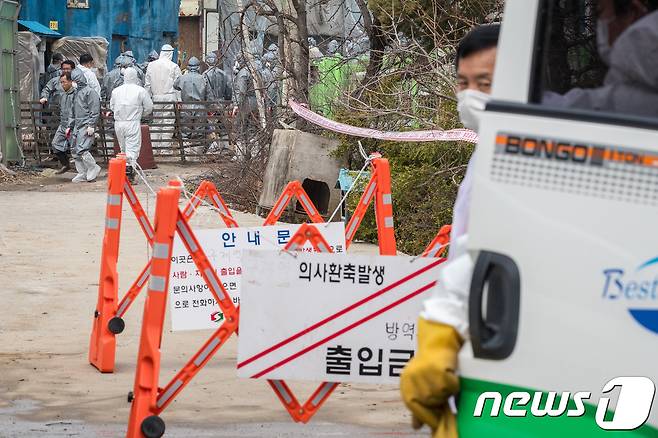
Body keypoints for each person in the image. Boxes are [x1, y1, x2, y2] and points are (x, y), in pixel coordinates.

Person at [399, 24, 500, 438]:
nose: (470, 94)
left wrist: (441, 328)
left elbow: (487, 252)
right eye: (463, 82)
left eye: (486, 83)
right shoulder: (487, 149)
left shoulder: (524, 157)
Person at [544, 0, 658, 118]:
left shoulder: (628, 103)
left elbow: (567, 110)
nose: (598, 24)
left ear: (633, 12)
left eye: (600, 12)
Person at [110, 67, 153, 182]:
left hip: (119, 123)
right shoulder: (140, 90)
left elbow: (112, 107)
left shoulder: (116, 91)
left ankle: (124, 172)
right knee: (132, 149)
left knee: (123, 149)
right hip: (133, 122)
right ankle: (129, 174)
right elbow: (149, 107)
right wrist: (141, 114)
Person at [145, 44, 182, 148]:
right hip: (169, 98)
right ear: (170, 53)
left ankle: (154, 148)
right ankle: (165, 149)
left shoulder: (151, 66)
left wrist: (147, 99)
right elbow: (178, 85)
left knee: (156, 123)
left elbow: (147, 85)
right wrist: (179, 100)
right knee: (168, 123)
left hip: (155, 98)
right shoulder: (174, 66)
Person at [70, 68, 101, 183]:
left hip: (86, 124)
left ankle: (93, 167)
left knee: (83, 148)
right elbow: (73, 111)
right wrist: (70, 125)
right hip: (77, 125)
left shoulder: (90, 92)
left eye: (74, 80)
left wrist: (91, 125)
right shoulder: (76, 92)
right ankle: (82, 172)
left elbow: (94, 109)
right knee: (74, 149)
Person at [173, 56, 215, 139]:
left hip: (186, 107)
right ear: (198, 67)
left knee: (185, 132)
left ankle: (186, 150)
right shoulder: (203, 78)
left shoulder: (182, 78)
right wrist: (209, 107)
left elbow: (175, 86)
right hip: (200, 107)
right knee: (199, 133)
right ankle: (197, 149)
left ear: (188, 67)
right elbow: (210, 96)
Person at [49, 71, 77, 174]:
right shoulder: (62, 94)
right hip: (63, 123)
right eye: (61, 82)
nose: (62, 84)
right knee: (55, 144)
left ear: (70, 81)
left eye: (64, 82)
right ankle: (65, 164)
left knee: (77, 149)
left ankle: (85, 170)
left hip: (73, 125)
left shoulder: (76, 94)